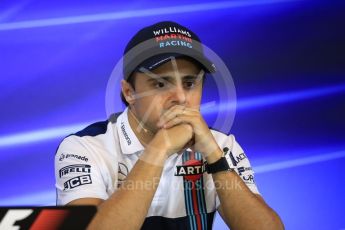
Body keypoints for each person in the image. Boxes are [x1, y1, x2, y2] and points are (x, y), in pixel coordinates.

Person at [55, 21, 284, 230]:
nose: (181, 98)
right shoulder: (83, 148)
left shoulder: (222, 146)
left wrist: (214, 157)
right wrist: (159, 148)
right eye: (161, 83)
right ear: (129, 92)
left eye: (189, 83)